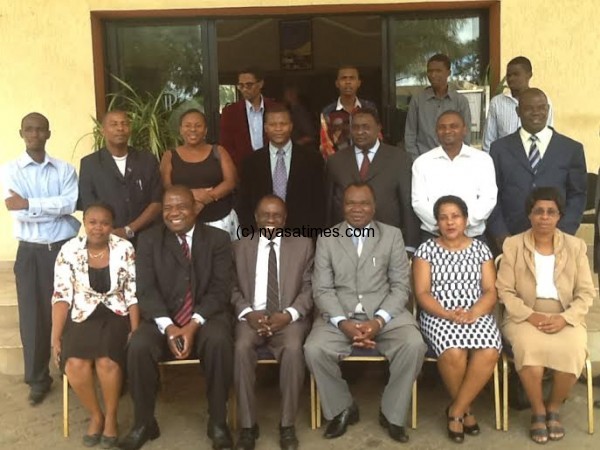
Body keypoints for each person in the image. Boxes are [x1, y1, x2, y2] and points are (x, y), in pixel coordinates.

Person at [304, 183, 426, 443]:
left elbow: (400, 286)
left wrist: (379, 320)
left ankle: (392, 412)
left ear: (374, 207)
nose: (357, 209)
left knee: (413, 344)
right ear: (342, 206)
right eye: (350, 203)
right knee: (314, 349)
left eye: (363, 203)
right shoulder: (327, 238)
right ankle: (342, 408)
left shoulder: (392, 235)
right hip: (340, 316)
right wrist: (343, 323)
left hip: (384, 314)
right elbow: (322, 289)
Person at [119, 186, 234, 450]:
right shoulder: (149, 240)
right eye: (168, 208)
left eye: (181, 206)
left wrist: (193, 325)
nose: (174, 213)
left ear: (195, 208)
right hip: (163, 318)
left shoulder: (217, 239)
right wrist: (169, 327)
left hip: (206, 316)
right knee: (138, 346)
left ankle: (218, 421)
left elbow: (220, 289)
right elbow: (145, 290)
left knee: (219, 341)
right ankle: (143, 422)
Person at [496, 187, 595, 444]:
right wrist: (530, 316)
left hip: (565, 315)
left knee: (573, 351)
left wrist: (566, 318)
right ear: (529, 215)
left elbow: (585, 293)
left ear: (559, 216)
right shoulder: (513, 245)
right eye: (538, 211)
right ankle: (538, 410)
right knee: (529, 349)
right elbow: (504, 290)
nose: (544, 217)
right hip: (523, 316)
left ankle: (553, 408)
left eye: (551, 212)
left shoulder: (575, 247)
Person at [1, 112, 80, 405]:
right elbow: (17, 210)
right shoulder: (9, 170)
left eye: (40, 130)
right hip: (31, 252)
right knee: (33, 316)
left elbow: (71, 203)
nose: (35, 134)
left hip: (64, 247)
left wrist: (31, 203)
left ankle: (71, 370)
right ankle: (37, 378)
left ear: (49, 133)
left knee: (69, 311)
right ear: (21, 133)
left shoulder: (65, 169)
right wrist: (50, 207)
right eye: (29, 130)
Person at [412, 195, 501, 443]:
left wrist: (473, 312)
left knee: (490, 349)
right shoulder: (426, 250)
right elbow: (422, 293)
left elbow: (491, 291)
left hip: (476, 312)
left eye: (455, 216)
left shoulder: (481, 249)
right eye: (443, 217)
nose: (450, 222)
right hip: (438, 314)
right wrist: (447, 313)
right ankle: (466, 411)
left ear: (465, 220)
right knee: (453, 351)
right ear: (437, 223)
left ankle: (456, 409)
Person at [51, 202, 139, 448]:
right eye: (92, 222)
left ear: (112, 225)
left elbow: (132, 293)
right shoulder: (69, 250)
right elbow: (61, 296)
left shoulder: (124, 248)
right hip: (83, 314)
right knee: (74, 364)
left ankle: (111, 418)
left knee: (106, 361)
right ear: (84, 223)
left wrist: (134, 328)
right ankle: (96, 415)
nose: (98, 228)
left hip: (116, 314)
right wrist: (55, 337)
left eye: (105, 223)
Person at [231, 195, 314, 450]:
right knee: (241, 348)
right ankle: (247, 426)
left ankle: (287, 424)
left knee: (292, 349)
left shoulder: (303, 244)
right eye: (265, 215)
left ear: (285, 218)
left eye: (276, 215)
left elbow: (309, 287)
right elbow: (231, 287)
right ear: (255, 218)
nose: (271, 220)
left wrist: (288, 314)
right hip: (251, 317)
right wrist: (247, 313)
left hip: (288, 318)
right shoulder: (239, 246)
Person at [488, 88, 587, 253]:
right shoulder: (499, 149)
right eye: (529, 108)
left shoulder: (571, 149)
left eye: (541, 108)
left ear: (548, 110)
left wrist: (563, 232)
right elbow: (491, 194)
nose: (536, 113)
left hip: (556, 240)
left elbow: (577, 194)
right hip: (510, 240)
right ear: (518, 111)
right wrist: (500, 233)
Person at [325, 107, 420, 253]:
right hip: (345, 244)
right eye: (355, 127)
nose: (360, 132)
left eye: (366, 127)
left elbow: (407, 204)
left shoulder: (399, 159)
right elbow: (329, 207)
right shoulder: (335, 161)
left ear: (378, 128)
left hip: (388, 243)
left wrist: (409, 246)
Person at [78, 110, 163, 244]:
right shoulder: (90, 164)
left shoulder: (147, 160)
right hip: (109, 239)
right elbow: (90, 207)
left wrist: (129, 229)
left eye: (124, 124)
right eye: (114, 124)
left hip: (148, 238)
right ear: (102, 131)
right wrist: (108, 231)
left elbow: (157, 202)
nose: (120, 128)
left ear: (130, 130)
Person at [238, 104, 325, 234]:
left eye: (283, 124)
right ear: (265, 128)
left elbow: (319, 202)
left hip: (302, 235)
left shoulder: (312, 160)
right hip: (261, 234)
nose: (278, 129)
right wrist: (252, 234)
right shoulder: (251, 162)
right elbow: (244, 203)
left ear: (291, 126)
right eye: (273, 125)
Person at [412, 110, 497, 242]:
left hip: (473, 236)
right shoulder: (422, 163)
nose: (447, 131)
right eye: (442, 127)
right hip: (434, 236)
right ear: (436, 132)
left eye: (453, 126)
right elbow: (418, 202)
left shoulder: (483, 160)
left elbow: (488, 198)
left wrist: (464, 222)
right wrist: (442, 223)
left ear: (464, 130)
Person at [160, 108, 238, 239]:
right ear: (180, 130)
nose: (193, 130)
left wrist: (207, 197)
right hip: (182, 223)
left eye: (198, 126)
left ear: (205, 130)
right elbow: (166, 186)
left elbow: (231, 181)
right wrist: (190, 196)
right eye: (188, 126)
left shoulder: (218, 151)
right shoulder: (169, 156)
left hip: (219, 219)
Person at [404, 53, 472, 161]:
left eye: (438, 71)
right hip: (424, 162)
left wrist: (458, 161)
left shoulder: (460, 101)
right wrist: (416, 161)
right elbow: (410, 134)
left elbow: (465, 134)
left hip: (452, 162)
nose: (433, 75)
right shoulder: (418, 100)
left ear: (448, 73)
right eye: (430, 71)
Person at [482, 56, 554, 152]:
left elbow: (548, 135)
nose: (511, 79)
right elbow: (489, 141)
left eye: (516, 74)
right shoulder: (497, 103)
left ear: (529, 75)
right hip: (505, 161)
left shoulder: (543, 101)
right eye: (509, 75)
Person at [219, 68, 277, 168]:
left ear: (260, 84)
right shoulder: (230, 113)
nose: (245, 89)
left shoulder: (275, 108)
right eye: (241, 85)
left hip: (273, 166)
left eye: (249, 85)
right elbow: (226, 146)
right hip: (242, 169)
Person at [319, 65, 378, 159]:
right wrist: (337, 166)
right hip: (339, 165)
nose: (348, 82)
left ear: (358, 83)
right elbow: (326, 145)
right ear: (337, 83)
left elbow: (377, 137)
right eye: (343, 78)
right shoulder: (328, 112)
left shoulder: (369, 108)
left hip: (367, 163)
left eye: (352, 78)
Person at [282, 83, 316, 147]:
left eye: (290, 93)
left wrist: (294, 145)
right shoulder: (287, 110)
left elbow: (310, 135)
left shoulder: (299, 111)